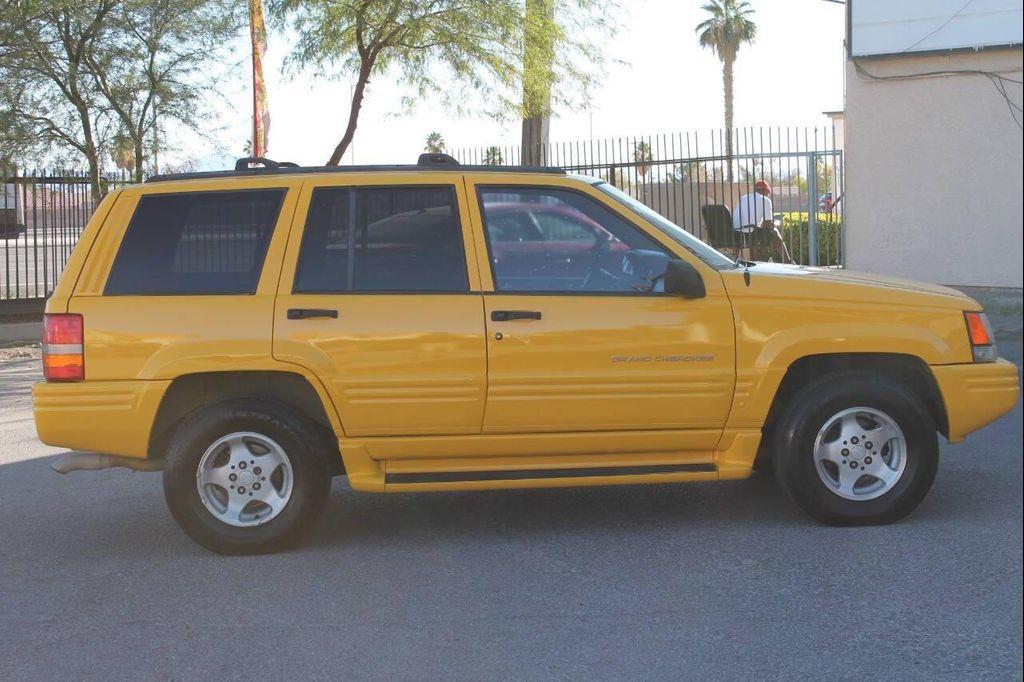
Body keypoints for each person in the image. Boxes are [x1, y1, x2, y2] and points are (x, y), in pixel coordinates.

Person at [732, 179, 791, 262]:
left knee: (754, 230)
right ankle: (787, 260)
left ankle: (737, 258)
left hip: (736, 234)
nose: (767, 195)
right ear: (765, 191)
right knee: (774, 231)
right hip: (749, 234)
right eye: (768, 193)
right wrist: (775, 224)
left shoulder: (743, 198)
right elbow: (767, 224)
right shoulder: (765, 200)